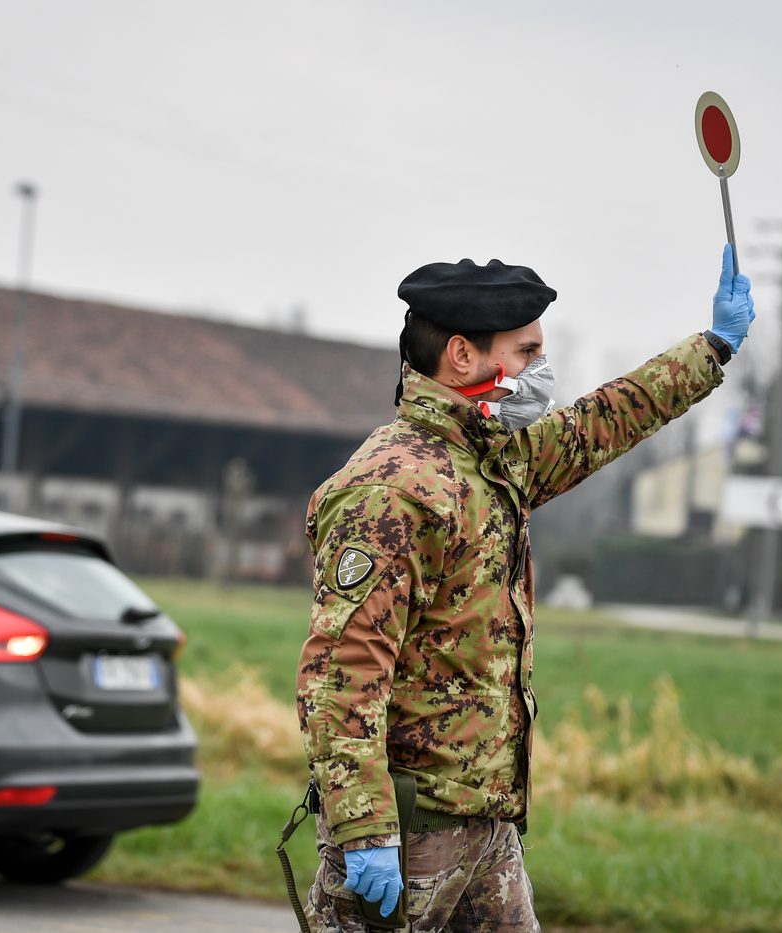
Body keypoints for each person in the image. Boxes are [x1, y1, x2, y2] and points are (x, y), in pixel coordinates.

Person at [296, 246, 754, 931]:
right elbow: (343, 671)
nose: (541, 370)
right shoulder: (393, 487)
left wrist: (711, 348)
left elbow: (601, 422)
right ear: (462, 355)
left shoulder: (492, 463)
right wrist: (364, 829)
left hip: (485, 825)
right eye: (528, 350)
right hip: (408, 832)